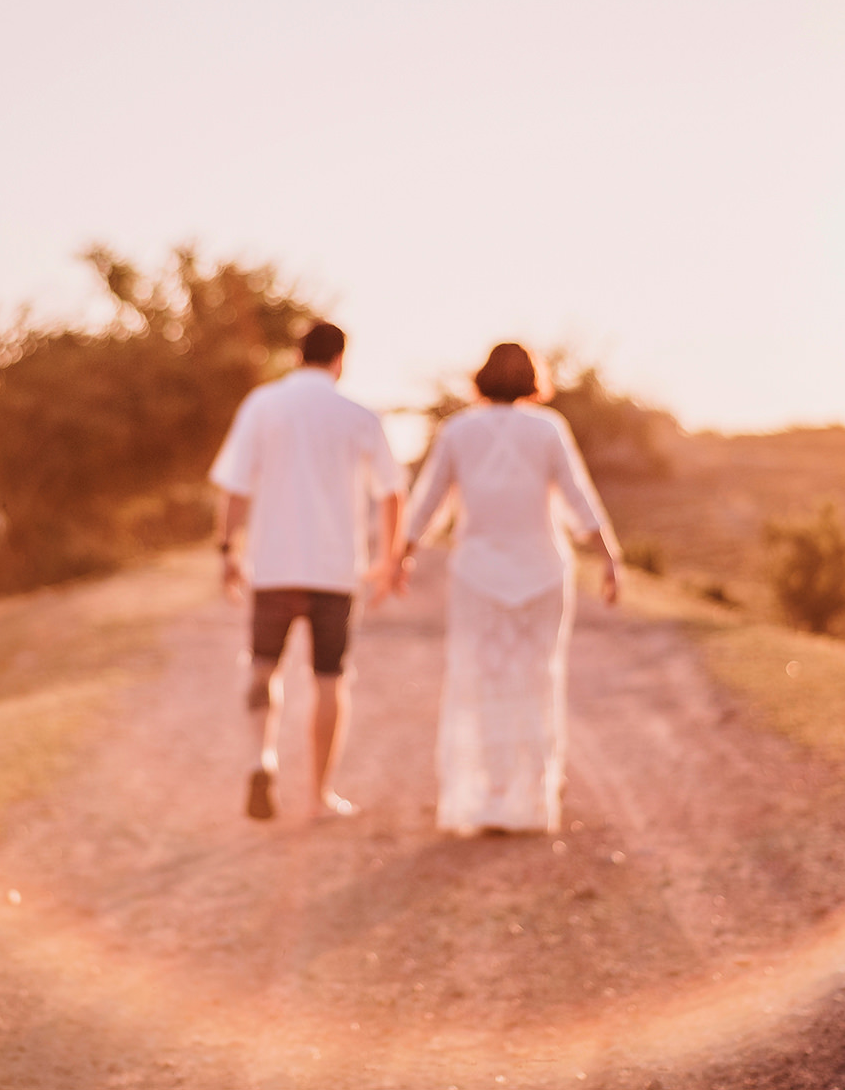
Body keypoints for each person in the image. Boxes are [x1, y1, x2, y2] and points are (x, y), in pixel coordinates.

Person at [391, 343, 620, 836]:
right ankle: (533, 800)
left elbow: (426, 502)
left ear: (481, 378)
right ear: (533, 381)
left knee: (480, 680)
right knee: (538, 679)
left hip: (478, 576)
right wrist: (609, 557)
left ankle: (491, 797)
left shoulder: (458, 430)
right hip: (542, 573)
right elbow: (581, 499)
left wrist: (401, 556)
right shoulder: (548, 428)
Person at [210, 321, 404, 821]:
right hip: (335, 571)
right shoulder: (358, 416)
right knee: (328, 679)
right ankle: (319, 794)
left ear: (297, 355)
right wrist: (387, 560)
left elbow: (234, 484)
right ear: (341, 359)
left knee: (261, 666)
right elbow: (391, 490)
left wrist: (228, 549)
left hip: (273, 566)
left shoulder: (263, 404)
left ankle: (261, 760)